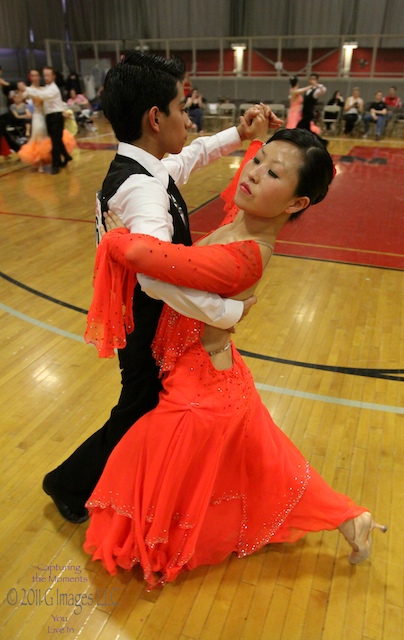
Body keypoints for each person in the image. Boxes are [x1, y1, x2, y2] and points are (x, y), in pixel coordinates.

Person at [82, 126, 387, 589]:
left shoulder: (247, 255)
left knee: (143, 451)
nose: (253, 173)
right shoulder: (243, 217)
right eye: (257, 160)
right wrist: (242, 134)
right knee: (271, 461)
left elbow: (145, 254)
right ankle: (352, 518)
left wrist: (111, 227)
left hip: (199, 385)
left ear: (296, 204)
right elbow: (175, 171)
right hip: (212, 367)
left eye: (273, 173)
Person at [42, 52, 283, 524]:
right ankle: (70, 483)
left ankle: (89, 483)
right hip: (144, 322)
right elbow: (156, 276)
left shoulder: (144, 169)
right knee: (140, 404)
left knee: (141, 404)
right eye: (181, 106)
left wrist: (239, 134)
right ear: (156, 117)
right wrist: (225, 312)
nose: (188, 116)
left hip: (140, 316)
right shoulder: (144, 190)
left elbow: (188, 158)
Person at [17, 70, 75, 172]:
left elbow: (43, 95)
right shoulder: (35, 89)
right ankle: (61, 157)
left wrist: (64, 110)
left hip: (50, 116)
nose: (35, 77)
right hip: (40, 116)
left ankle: (55, 165)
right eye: (33, 75)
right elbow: (22, 97)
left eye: (37, 75)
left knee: (54, 140)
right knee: (47, 138)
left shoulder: (48, 89)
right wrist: (22, 91)